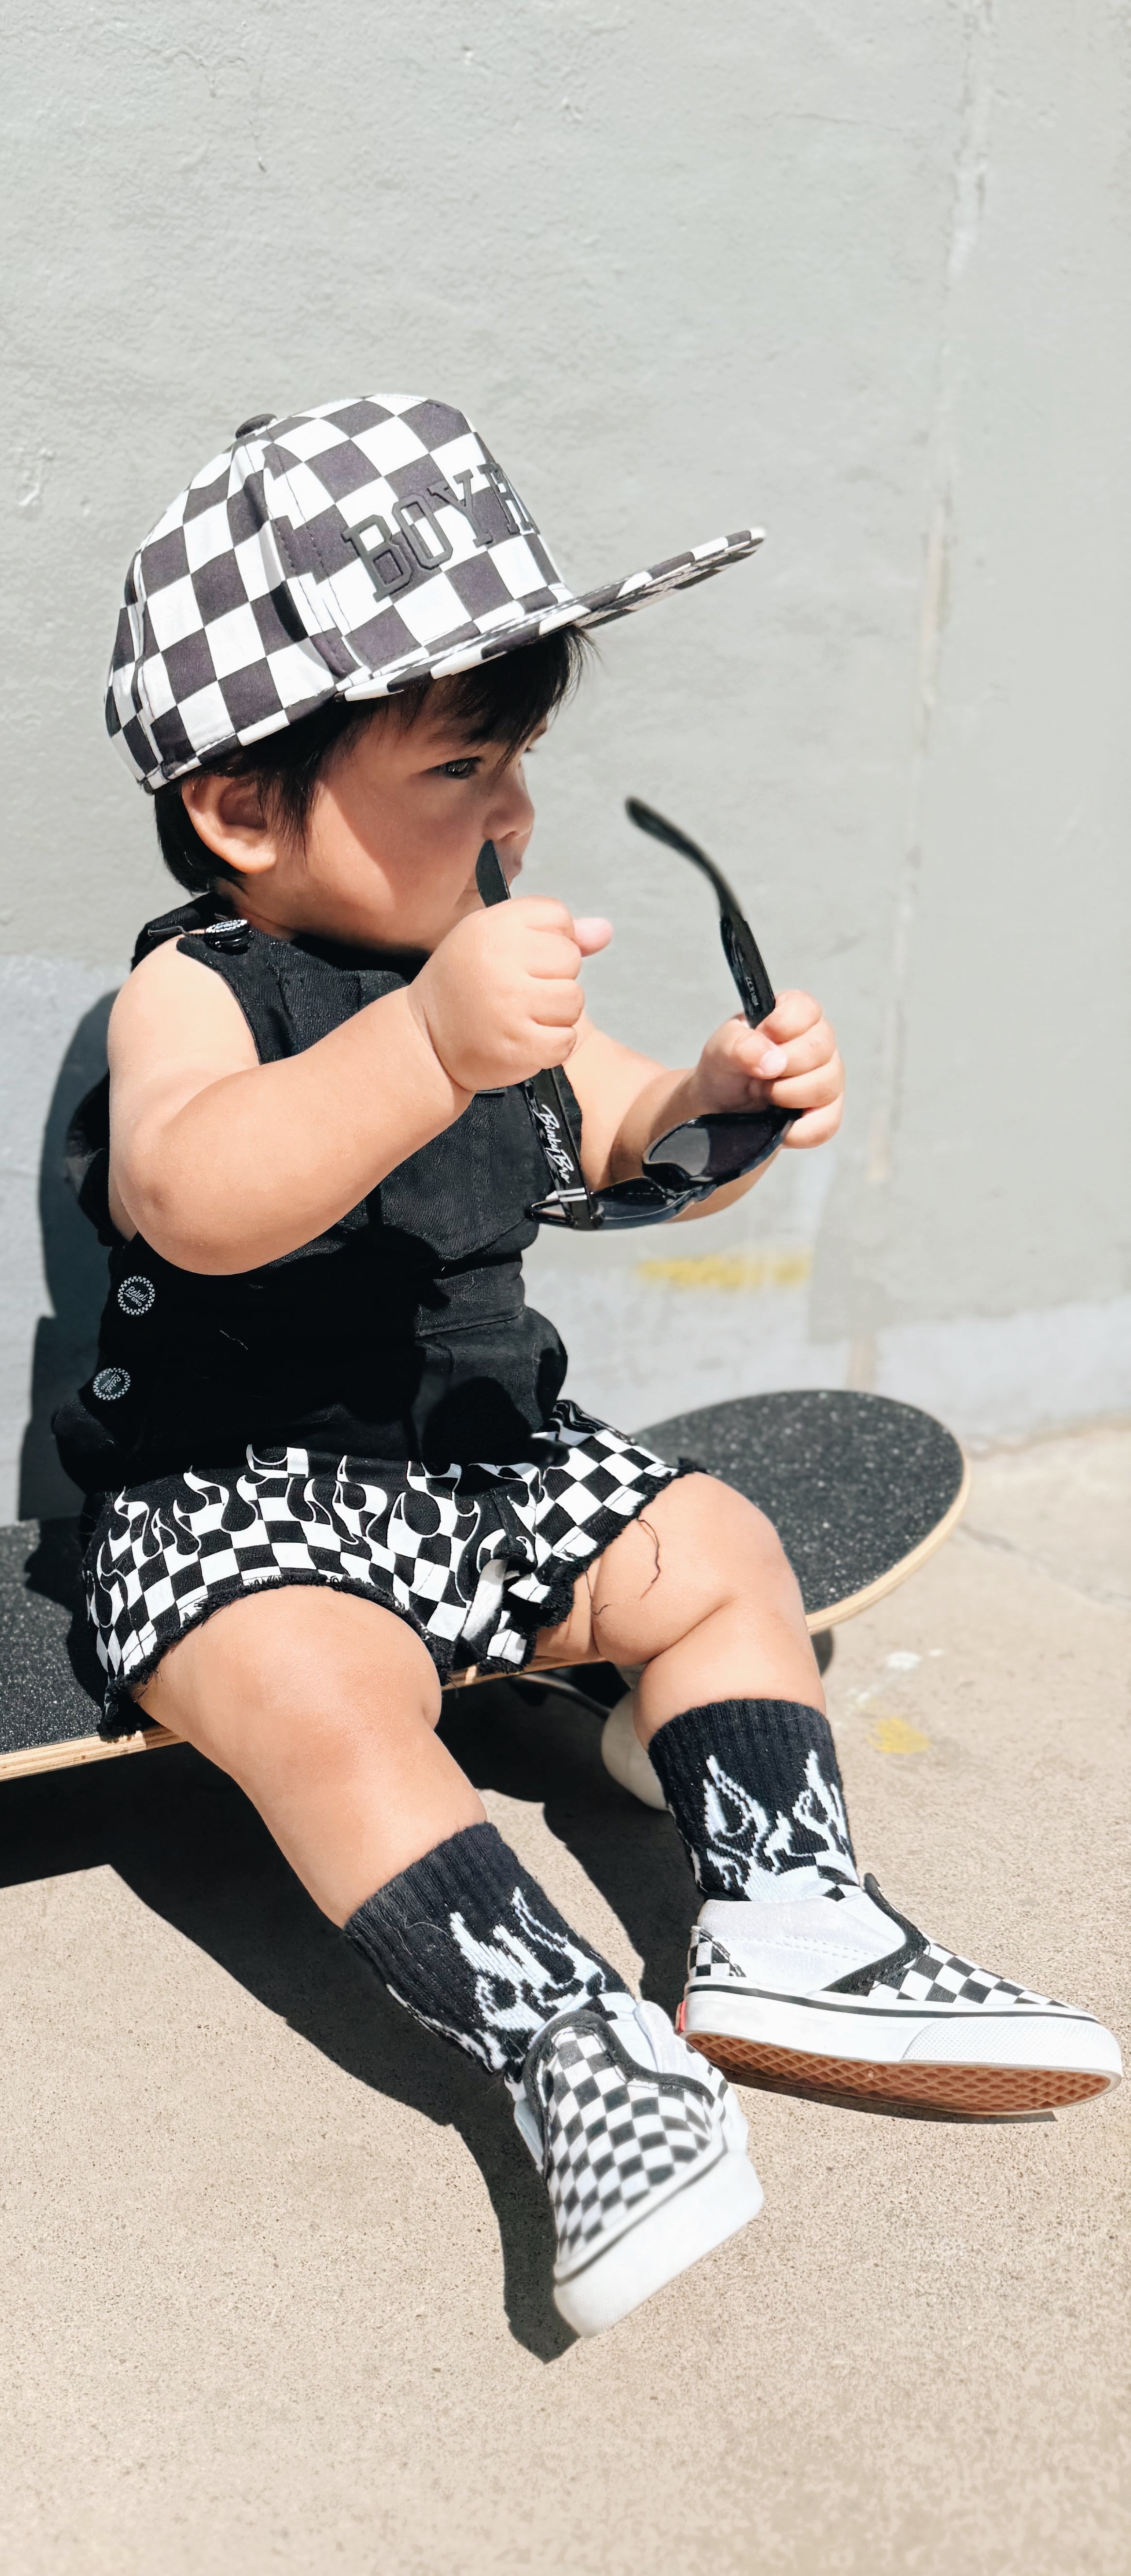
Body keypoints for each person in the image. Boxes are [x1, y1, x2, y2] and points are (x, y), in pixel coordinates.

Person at [55, 395, 1120, 2338]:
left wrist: (720, 1099)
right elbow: (193, 1194)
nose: (513, 816)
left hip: (487, 1468)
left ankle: (787, 1915)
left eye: (523, 760)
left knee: (715, 1547)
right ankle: (572, 2051)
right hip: (236, 1513)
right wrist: (422, 1047)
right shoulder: (195, 989)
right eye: (462, 766)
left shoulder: (490, 968)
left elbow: (618, 1135)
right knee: (318, 1693)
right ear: (241, 809)